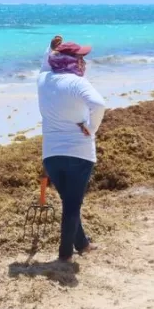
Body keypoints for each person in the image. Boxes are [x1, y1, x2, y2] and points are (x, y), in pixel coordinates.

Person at [37, 36, 106, 263]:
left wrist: (51, 47)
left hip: (51, 156)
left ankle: (83, 245)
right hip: (79, 153)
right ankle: (64, 256)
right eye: (80, 58)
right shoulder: (77, 83)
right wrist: (91, 128)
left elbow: (45, 61)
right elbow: (99, 104)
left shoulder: (43, 79)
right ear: (70, 61)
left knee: (69, 200)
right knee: (72, 205)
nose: (83, 63)